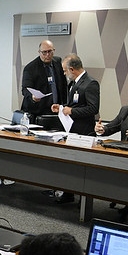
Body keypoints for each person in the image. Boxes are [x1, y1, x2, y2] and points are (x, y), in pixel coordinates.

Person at [49, 54, 101, 203]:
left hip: (84, 131)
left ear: (72, 69)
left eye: (65, 71)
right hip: (72, 129)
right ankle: (68, 193)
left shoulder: (90, 83)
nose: (64, 74)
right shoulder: (74, 83)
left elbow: (93, 108)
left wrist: (71, 111)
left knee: (80, 169)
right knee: (69, 165)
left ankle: (83, 202)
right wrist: (62, 107)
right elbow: (74, 105)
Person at [20, 40, 67, 122]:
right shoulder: (30, 68)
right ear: (39, 52)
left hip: (56, 110)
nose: (48, 55)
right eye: (44, 52)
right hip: (38, 111)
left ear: (54, 50)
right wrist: (33, 97)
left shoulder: (58, 62)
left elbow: (63, 85)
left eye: (50, 52)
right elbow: (25, 89)